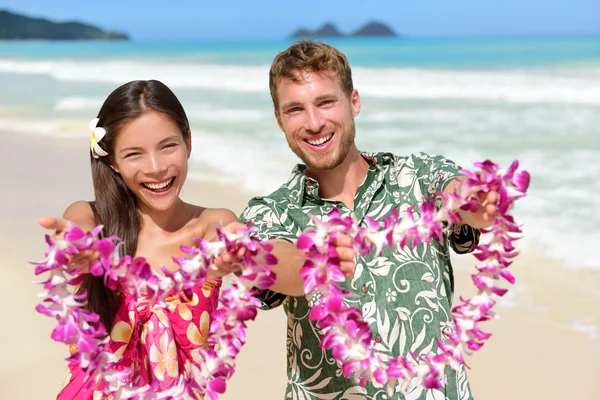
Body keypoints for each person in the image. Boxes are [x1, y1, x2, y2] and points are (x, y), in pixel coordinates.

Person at [239, 41, 492, 400]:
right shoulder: (271, 212)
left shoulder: (418, 177)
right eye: (295, 109)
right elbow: (273, 262)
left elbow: (457, 193)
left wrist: (473, 200)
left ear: (353, 102)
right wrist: (314, 261)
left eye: (326, 102)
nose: (314, 123)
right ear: (279, 120)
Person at [38, 80, 242, 399]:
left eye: (168, 146)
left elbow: (237, 243)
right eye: (134, 154)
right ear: (112, 161)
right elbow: (77, 231)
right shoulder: (93, 220)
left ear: (188, 142)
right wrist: (79, 248)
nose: (156, 168)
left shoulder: (210, 226)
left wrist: (238, 251)